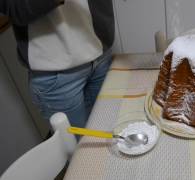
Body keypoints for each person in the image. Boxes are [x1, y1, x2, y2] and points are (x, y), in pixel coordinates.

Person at [0, 0, 115, 128]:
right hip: (55, 74)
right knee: (78, 146)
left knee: (112, 133)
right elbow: (15, 8)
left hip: (100, 54)